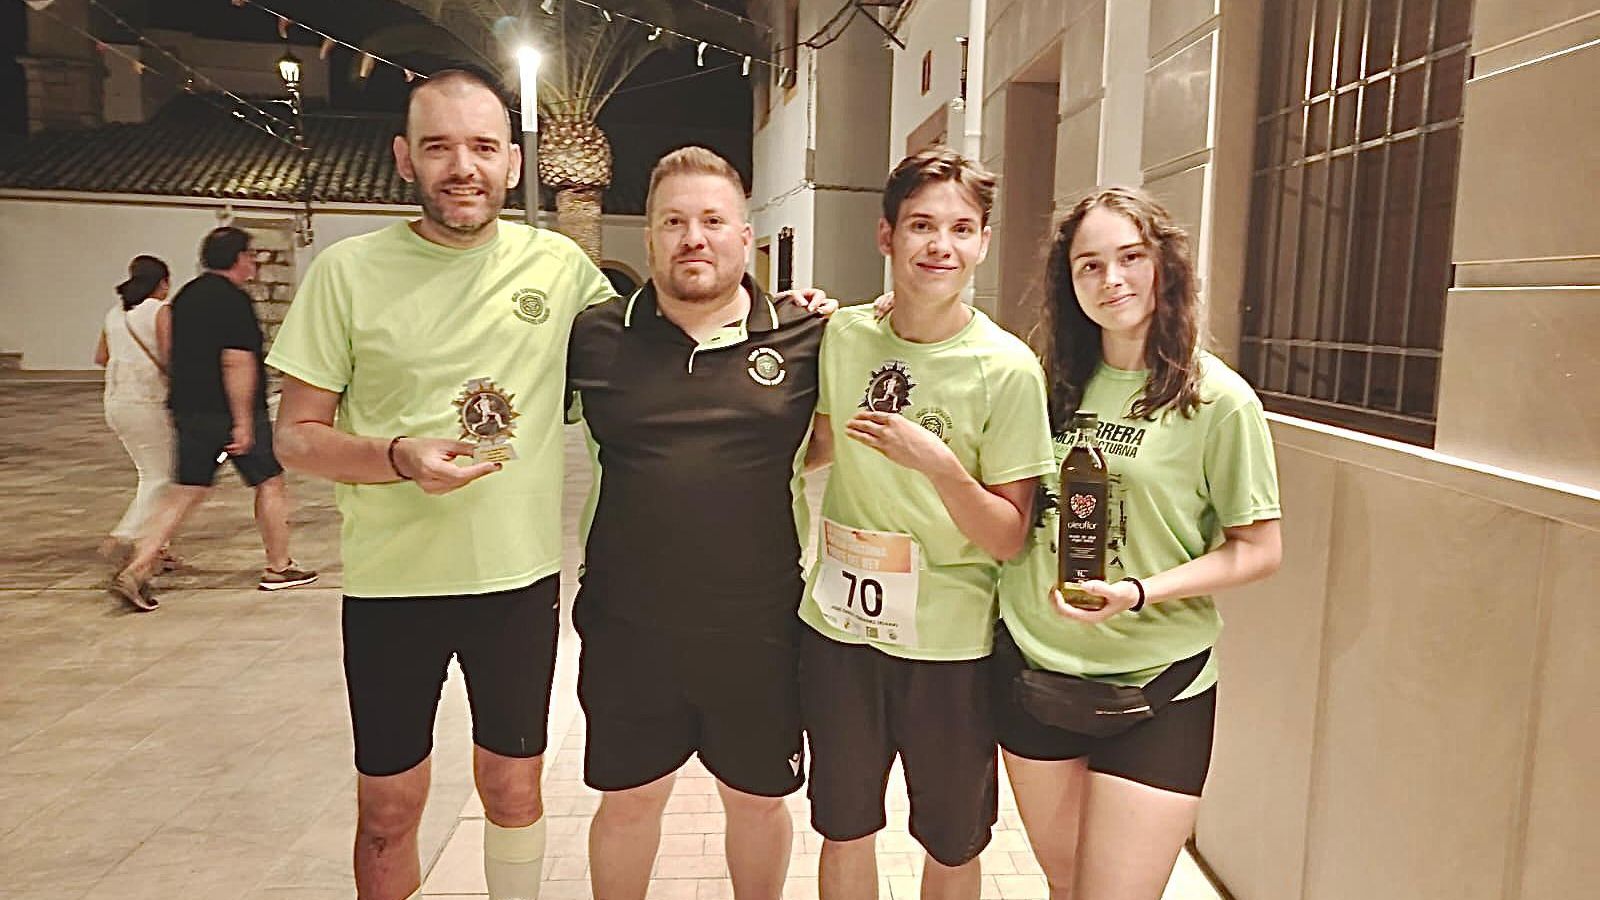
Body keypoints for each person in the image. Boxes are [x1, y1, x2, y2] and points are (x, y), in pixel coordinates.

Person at [992, 187, 1282, 900]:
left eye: (1130, 257)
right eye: (1089, 265)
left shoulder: (1217, 400)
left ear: (1165, 266)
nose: (1111, 280)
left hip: (1157, 691)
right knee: (1064, 886)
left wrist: (1141, 593)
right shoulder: (1045, 383)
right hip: (1034, 671)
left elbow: (1259, 548)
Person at [565, 146, 829, 900]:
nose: (693, 238)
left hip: (760, 630)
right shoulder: (596, 336)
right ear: (647, 237)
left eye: (713, 221)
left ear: (746, 236)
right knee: (628, 803)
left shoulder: (805, 338)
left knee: (756, 801)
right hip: (629, 628)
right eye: (673, 222)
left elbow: (831, 444)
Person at [796, 147, 1056, 900]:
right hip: (840, 634)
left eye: (961, 228)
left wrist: (939, 464)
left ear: (981, 243)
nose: (940, 245)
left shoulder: (1006, 369)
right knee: (842, 826)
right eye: (920, 225)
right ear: (886, 236)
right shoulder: (843, 336)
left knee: (950, 838)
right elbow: (814, 445)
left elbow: (1008, 535)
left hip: (950, 649)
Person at [108, 228, 317, 612]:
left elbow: (173, 353)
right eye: (251, 255)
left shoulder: (187, 295)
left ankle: (137, 566)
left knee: (186, 488)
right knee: (269, 481)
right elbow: (236, 361)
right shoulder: (232, 301)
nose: (255, 261)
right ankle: (279, 566)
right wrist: (241, 421)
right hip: (228, 409)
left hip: (189, 408)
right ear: (237, 257)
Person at [94, 255, 178, 568]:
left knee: (150, 473)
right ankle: (126, 536)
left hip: (116, 401)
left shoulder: (114, 314)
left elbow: (101, 356)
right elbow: (171, 359)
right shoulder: (160, 310)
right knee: (161, 477)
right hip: (147, 401)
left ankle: (157, 544)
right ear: (163, 283)